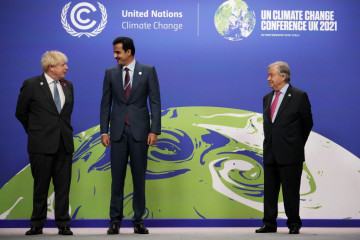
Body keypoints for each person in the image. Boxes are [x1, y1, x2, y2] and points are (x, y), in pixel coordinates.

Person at [100, 37, 161, 234]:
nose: (114, 55)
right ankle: (115, 221)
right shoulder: (110, 73)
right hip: (117, 133)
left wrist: (154, 130)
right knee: (116, 179)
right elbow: (105, 104)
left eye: (117, 52)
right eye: (114, 52)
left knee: (138, 178)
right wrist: (104, 131)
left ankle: (138, 220)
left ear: (129, 52)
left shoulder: (149, 70)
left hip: (140, 133)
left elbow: (155, 103)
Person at [15, 51, 74, 235]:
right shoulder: (31, 85)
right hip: (40, 145)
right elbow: (21, 112)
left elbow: (64, 115)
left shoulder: (68, 85)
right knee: (41, 186)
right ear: (51, 67)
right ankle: (37, 224)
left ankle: (63, 224)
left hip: (64, 144)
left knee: (63, 187)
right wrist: (35, 131)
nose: (66, 67)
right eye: (63, 64)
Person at [256, 61, 313, 234]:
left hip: (290, 153)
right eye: (268, 75)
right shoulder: (267, 98)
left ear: (283, 76)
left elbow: (307, 124)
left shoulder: (299, 95)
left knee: (291, 192)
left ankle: (294, 224)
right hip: (270, 152)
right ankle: (269, 224)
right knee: (270, 192)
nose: (268, 79)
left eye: (271, 75)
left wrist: (295, 144)